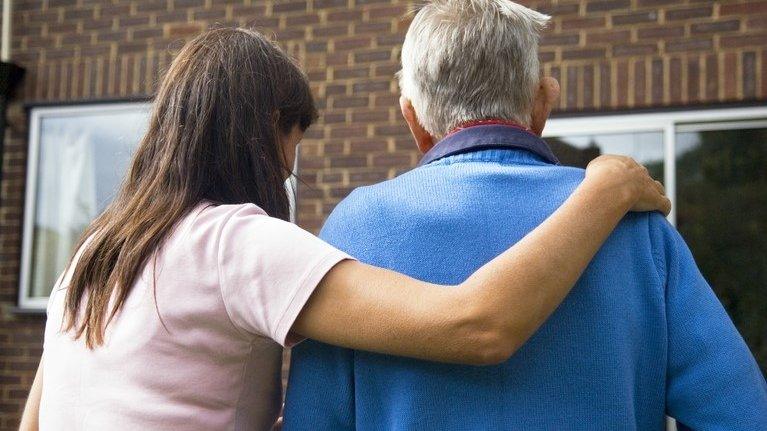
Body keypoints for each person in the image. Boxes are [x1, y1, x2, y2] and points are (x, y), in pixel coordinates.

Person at [19, 27, 668, 431]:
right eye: (293, 137)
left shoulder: (95, 253)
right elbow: (477, 324)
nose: (291, 162)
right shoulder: (233, 244)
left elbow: (36, 418)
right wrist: (603, 190)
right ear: (266, 127)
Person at [283, 1, 767, 430]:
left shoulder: (357, 228)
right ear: (542, 102)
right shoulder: (633, 223)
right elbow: (741, 415)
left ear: (413, 119)